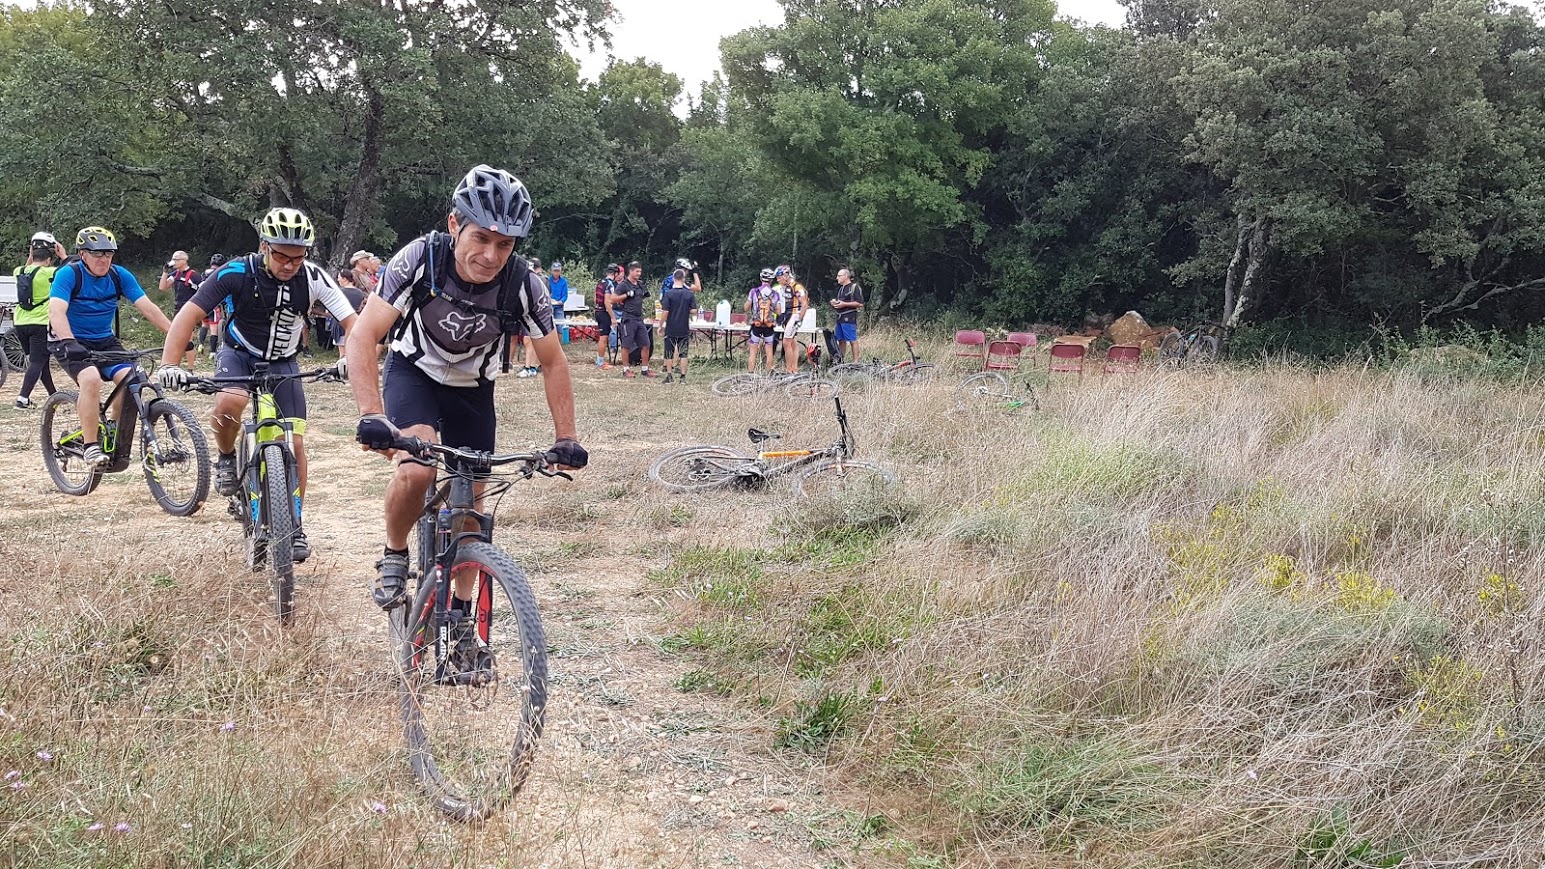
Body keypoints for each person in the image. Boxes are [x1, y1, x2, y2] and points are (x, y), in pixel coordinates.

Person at [347, 165, 586, 680]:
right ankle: (393, 553)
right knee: (416, 470)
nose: (491, 256)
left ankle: (460, 623)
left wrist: (566, 437)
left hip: (474, 390)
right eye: (481, 238)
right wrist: (372, 415)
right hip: (415, 374)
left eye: (506, 245)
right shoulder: (420, 258)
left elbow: (552, 361)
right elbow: (363, 336)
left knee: (473, 510)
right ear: (455, 224)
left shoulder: (524, 283)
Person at [156, 208, 359, 563]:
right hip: (237, 353)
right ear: (264, 246)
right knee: (229, 403)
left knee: (294, 442)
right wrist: (170, 365)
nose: (289, 264)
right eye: (281, 255)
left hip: (283, 361)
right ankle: (224, 456)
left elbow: (352, 321)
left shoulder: (312, 277)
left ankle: (294, 525)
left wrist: (350, 357)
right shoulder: (235, 272)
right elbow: (189, 314)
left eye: (297, 256)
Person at [48, 226, 174, 468]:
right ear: (82, 254)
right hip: (70, 339)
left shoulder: (119, 276)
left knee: (131, 378)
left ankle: (114, 432)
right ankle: (90, 446)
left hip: (104, 340)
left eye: (108, 254)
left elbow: (147, 308)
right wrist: (69, 342)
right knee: (90, 379)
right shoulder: (69, 275)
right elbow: (56, 312)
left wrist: (175, 335)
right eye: (97, 254)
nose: (104, 259)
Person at [11, 232, 64, 408]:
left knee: (42, 363)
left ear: (32, 254)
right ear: (49, 259)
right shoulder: (51, 273)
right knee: (37, 362)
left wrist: (31, 255)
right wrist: (62, 256)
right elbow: (71, 268)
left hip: (20, 323)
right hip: (40, 323)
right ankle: (22, 398)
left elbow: (28, 267)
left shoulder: (19, 271)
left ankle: (53, 397)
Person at [607, 260, 656, 378]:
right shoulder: (624, 284)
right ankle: (626, 369)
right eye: (637, 271)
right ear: (631, 271)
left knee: (646, 344)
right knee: (626, 345)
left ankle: (645, 370)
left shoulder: (639, 284)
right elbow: (612, 299)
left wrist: (644, 295)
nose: (639, 273)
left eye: (640, 271)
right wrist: (626, 295)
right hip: (628, 319)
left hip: (639, 319)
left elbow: (640, 297)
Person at [158, 250, 203, 369]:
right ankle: (175, 366)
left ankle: (190, 368)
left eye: (177, 259)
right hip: (177, 310)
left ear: (184, 260)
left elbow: (203, 291)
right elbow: (162, 287)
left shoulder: (194, 276)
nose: (174, 262)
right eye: (173, 259)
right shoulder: (176, 274)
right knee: (177, 340)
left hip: (189, 311)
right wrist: (165, 272)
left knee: (187, 341)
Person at [659, 267, 697, 383]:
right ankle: (683, 377)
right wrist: (686, 310)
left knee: (669, 353)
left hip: (671, 328)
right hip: (684, 328)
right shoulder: (689, 294)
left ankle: (669, 376)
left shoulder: (669, 294)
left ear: (674, 278)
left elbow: (665, 312)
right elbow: (694, 311)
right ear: (683, 279)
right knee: (684, 354)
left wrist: (660, 325)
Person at [514, 257, 549, 378]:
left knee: (531, 341)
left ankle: (531, 367)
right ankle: (529, 366)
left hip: (535, 316)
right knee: (528, 341)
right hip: (528, 315)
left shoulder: (541, 279)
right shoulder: (535, 277)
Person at [744, 267, 783, 375]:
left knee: (753, 351)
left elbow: (746, 308)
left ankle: (751, 373)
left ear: (761, 278)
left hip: (756, 325)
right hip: (769, 326)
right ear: (771, 280)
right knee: (769, 351)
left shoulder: (754, 291)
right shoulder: (775, 294)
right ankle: (768, 374)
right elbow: (779, 312)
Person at [776, 265, 808, 373]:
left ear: (785, 275)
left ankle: (789, 369)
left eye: (779, 277)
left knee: (786, 343)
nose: (778, 279)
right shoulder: (786, 287)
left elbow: (804, 304)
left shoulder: (796, 286)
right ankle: (794, 369)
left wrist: (799, 319)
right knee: (793, 342)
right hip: (788, 314)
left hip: (794, 314)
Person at [831, 267, 864, 362]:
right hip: (839, 318)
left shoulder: (854, 287)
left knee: (852, 340)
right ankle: (841, 360)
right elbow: (841, 302)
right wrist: (835, 303)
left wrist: (844, 304)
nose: (837, 278)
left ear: (846, 276)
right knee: (841, 340)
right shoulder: (841, 289)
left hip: (849, 318)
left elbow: (859, 303)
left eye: (839, 276)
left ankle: (856, 362)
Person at [197, 253, 228, 354]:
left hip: (202, 302)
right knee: (214, 327)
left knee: (204, 324)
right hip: (214, 303)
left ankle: (201, 344)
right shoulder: (220, 272)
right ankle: (213, 352)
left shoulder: (204, 273)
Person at [593, 263, 619, 369]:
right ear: (615, 273)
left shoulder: (600, 282)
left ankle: (600, 360)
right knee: (603, 338)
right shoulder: (609, 284)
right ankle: (600, 362)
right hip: (604, 313)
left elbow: (595, 299)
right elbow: (607, 302)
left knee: (602, 337)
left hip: (598, 311)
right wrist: (613, 317)